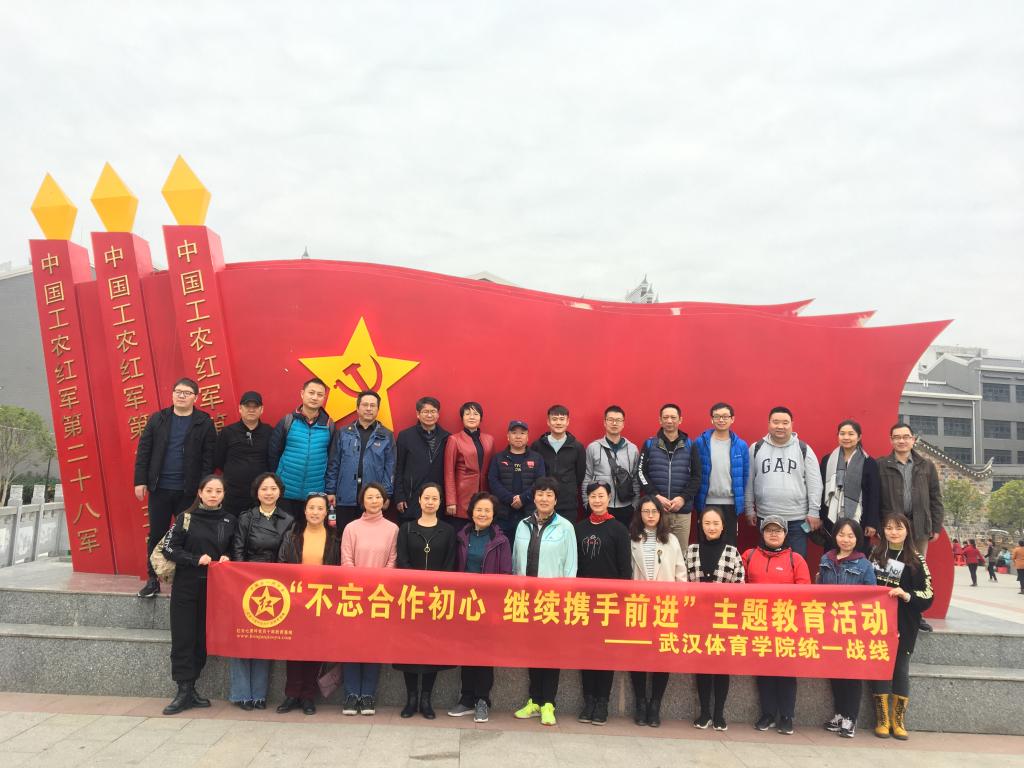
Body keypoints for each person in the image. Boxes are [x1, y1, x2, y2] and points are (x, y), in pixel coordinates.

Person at [134, 377, 217, 598]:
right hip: (159, 488)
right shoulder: (158, 419)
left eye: (187, 393)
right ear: (172, 394)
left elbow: (209, 458)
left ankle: (184, 579)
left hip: (188, 491)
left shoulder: (204, 422)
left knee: (187, 536)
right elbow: (144, 451)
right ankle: (153, 579)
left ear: (195, 397)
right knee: (157, 533)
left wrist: (204, 488)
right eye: (178, 391)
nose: (181, 395)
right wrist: (140, 481)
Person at [160, 475, 235, 715]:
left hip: (214, 589)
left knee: (202, 639)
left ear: (223, 495)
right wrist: (194, 559)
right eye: (209, 490)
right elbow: (169, 548)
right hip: (186, 586)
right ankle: (183, 690)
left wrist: (228, 557)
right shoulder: (186, 518)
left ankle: (192, 689)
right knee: (183, 637)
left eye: (218, 491)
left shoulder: (229, 520)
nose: (213, 495)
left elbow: (234, 548)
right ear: (200, 493)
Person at [512, 477, 577, 726]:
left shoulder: (565, 527)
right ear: (534, 497)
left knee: (550, 652)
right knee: (532, 651)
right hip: (527, 600)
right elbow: (516, 563)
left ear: (556, 500)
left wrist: (565, 599)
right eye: (540, 493)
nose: (544, 498)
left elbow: (571, 566)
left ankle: (549, 703)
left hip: (552, 601)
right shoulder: (522, 525)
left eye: (549, 494)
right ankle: (534, 701)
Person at [228, 472, 293, 710]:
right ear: (257, 492)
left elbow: (285, 555)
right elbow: (237, 549)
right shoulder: (246, 518)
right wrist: (241, 578)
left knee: (265, 638)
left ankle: (259, 694)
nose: (268, 493)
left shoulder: (288, 519)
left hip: (273, 585)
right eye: (264, 488)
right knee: (242, 638)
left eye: (273, 488)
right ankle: (241, 693)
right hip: (246, 582)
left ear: (280, 492)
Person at [743, 515, 811, 735]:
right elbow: (739, 587)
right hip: (758, 622)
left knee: (786, 671)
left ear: (785, 534)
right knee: (764, 671)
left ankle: (787, 716)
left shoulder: (796, 559)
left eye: (778, 530)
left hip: (786, 624)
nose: (773, 534)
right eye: (769, 530)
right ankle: (768, 714)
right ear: (762, 533)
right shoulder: (749, 556)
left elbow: (804, 593)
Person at [448, 492, 512, 723]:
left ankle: (482, 699)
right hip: (465, 604)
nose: (482, 514)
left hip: (488, 605)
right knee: (467, 651)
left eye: (487, 510)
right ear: (471, 512)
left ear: (493, 514)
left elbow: (506, 574)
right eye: (479, 510)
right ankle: (466, 698)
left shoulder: (500, 541)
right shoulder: (461, 536)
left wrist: (497, 607)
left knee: (484, 653)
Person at [869, 513, 933, 740]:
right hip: (877, 623)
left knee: (901, 670)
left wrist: (906, 595)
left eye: (898, 528)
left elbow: (928, 594)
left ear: (908, 531)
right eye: (888, 528)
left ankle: (898, 720)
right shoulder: (874, 555)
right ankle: (882, 720)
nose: (893, 532)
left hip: (904, 624)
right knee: (880, 668)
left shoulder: (916, 559)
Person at [394, 482, 456, 719]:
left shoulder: (448, 531)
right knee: (408, 649)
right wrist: (418, 587)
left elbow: (450, 564)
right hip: (411, 597)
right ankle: (411, 699)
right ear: (419, 500)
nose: (430, 502)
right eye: (426, 498)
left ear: (440, 502)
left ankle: (426, 699)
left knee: (432, 649)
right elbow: (402, 561)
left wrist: (434, 590)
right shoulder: (407, 528)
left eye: (434, 498)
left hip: (437, 599)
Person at [276, 492, 340, 715]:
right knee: (294, 648)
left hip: (321, 600)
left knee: (315, 648)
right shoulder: (292, 535)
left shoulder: (334, 538)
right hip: (295, 599)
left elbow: (338, 569)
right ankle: (292, 694)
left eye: (320, 509)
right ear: (304, 511)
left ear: (326, 513)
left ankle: (308, 696)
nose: (315, 512)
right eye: (311, 508)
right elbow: (281, 563)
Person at [877, 422, 943, 631]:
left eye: (906, 437)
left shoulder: (926, 465)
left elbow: (935, 498)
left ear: (913, 439)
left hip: (920, 526)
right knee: (890, 567)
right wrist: (878, 525)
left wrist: (936, 525)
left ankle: (916, 612)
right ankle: (888, 611)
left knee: (916, 569)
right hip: (892, 527)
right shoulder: (881, 465)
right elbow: (875, 498)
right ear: (891, 440)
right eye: (897, 437)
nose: (902, 441)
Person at [575, 482, 631, 726]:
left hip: (610, 603)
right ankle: (588, 701)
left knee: (605, 653)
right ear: (587, 500)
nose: (597, 500)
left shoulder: (619, 529)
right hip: (584, 602)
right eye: (593, 496)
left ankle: (602, 702)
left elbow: (625, 570)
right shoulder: (578, 528)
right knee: (586, 652)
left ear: (609, 498)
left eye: (601, 496)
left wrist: (621, 600)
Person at [340, 482, 398, 715]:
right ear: (362, 501)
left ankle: (367, 696)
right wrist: (358, 587)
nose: (374, 501)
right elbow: (346, 560)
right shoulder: (351, 528)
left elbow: (392, 560)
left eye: (378, 497)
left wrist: (377, 587)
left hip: (379, 597)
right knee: (351, 645)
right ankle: (351, 694)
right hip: (354, 595)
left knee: (373, 646)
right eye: (369, 497)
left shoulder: (393, 529)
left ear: (384, 501)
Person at [628, 496, 686, 727]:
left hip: (665, 606)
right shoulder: (631, 538)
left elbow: (680, 574)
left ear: (661, 515)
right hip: (638, 605)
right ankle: (641, 703)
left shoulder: (671, 540)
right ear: (639, 514)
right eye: (646, 511)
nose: (650, 515)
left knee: (662, 656)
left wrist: (678, 604)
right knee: (638, 655)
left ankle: (655, 705)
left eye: (654, 511)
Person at [686, 506, 745, 732]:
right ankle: (704, 713)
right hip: (698, 619)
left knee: (721, 667)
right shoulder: (691, 550)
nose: (711, 527)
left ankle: (719, 713)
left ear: (723, 526)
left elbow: (740, 586)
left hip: (724, 619)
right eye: (707, 523)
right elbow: (683, 583)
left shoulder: (732, 552)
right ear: (700, 525)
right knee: (702, 666)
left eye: (716, 523)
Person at [817, 518, 876, 738]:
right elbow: (819, 591)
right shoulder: (826, 559)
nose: (846, 539)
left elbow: (872, 597)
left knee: (851, 674)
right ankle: (840, 714)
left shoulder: (864, 565)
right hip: (830, 626)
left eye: (851, 536)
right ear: (835, 536)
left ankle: (851, 718)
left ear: (858, 539)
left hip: (853, 627)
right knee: (835, 672)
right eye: (841, 534)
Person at [744, 406, 822, 559]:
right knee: (768, 563)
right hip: (766, 518)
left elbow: (815, 484)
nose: (780, 426)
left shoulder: (804, 449)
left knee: (796, 561)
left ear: (792, 424)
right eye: (776, 422)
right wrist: (749, 509)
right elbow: (749, 482)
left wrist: (814, 512)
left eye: (785, 422)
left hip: (797, 520)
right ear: (768, 424)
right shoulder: (756, 448)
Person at [326, 390, 396, 529]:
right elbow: (334, 464)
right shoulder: (343, 433)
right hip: (345, 496)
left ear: (378, 409)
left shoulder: (386, 436)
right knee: (344, 534)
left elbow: (390, 468)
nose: (369, 408)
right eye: (365, 405)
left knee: (370, 537)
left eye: (372, 405)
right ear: (357, 408)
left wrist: (386, 495)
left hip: (373, 498)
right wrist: (330, 491)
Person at [638, 403, 702, 552]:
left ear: (680, 420)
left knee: (681, 553)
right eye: (665, 417)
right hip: (656, 511)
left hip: (682, 511)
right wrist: (656, 497)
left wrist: (683, 498)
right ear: (660, 420)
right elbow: (641, 473)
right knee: (655, 553)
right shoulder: (649, 444)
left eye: (673, 417)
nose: (669, 420)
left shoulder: (690, 445)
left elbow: (697, 476)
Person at [268, 378, 335, 517]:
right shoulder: (288, 421)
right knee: (285, 529)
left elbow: (332, 460)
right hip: (285, 492)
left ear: (324, 398)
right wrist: (276, 482)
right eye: (311, 392)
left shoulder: (329, 425)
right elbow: (273, 453)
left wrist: (329, 489)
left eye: (319, 394)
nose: (315, 397)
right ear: (302, 394)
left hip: (314, 495)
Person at [819, 420, 881, 549]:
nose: (846, 437)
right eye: (842, 433)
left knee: (857, 555)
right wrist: (819, 516)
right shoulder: (827, 460)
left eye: (851, 434)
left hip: (860, 520)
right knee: (832, 553)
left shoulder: (869, 463)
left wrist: (872, 522)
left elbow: (874, 495)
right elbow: (821, 489)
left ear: (859, 437)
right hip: (831, 518)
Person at [694, 403, 749, 546]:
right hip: (706, 502)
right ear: (712, 419)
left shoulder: (741, 445)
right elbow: (694, 472)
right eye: (717, 416)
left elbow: (745, 476)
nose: (721, 420)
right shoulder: (701, 443)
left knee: (729, 545)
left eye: (725, 416)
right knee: (705, 543)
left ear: (732, 419)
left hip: (731, 504)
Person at [213, 391, 272, 518]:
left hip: (261, 494)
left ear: (261, 409)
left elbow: (273, 459)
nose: (251, 409)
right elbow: (218, 459)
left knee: (260, 528)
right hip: (233, 493)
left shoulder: (269, 432)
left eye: (255, 406)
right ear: (240, 408)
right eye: (247, 406)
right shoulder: (228, 432)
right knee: (232, 526)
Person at [394, 397, 450, 523]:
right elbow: (398, 468)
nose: (429, 415)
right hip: (410, 498)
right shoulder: (405, 436)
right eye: (425, 412)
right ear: (418, 414)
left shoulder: (447, 437)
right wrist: (399, 496)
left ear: (438, 414)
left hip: (436, 499)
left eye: (433, 411)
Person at [583, 405, 641, 527]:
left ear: (623, 423)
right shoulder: (593, 447)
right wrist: (587, 503)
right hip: (600, 505)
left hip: (625, 507)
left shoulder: (632, 449)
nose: (614, 423)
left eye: (618, 420)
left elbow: (635, 479)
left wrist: (634, 505)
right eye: (610, 420)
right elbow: (587, 476)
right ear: (605, 422)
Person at [488, 420, 546, 540]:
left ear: (527, 437)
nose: (518, 436)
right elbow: (493, 482)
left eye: (522, 433)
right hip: (503, 514)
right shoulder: (498, 458)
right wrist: (511, 499)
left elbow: (540, 482)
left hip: (529, 512)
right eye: (514, 433)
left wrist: (523, 498)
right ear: (508, 436)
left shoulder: (537, 458)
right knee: (504, 547)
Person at [530, 405, 586, 523]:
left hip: (568, 504)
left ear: (567, 421)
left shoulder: (577, 447)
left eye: (562, 419)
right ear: (548, 422)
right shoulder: (537, 446)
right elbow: (532, 474)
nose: (558, 422)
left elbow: (580, 475)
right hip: (543, 502)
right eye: (554, 419)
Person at [444, 401, 495, 529]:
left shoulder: (489, 439)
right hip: (462, 495)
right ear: (462, 418)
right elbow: (449, 472)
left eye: (476, 414)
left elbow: (492, 469)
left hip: (484, 492)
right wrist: (451, 501)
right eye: (467, 414)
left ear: (481, 418)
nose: (472, 417)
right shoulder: (454, 439)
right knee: (461, 533)